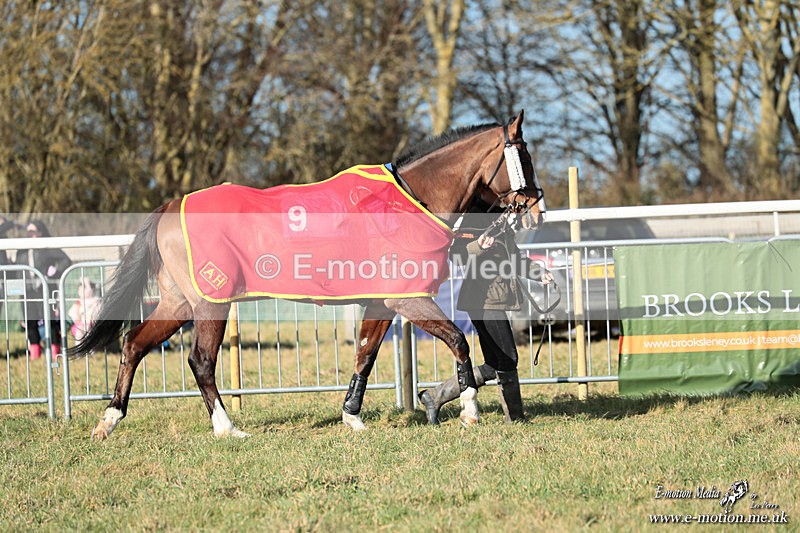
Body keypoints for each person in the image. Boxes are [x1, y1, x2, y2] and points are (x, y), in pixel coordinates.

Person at [418, 199, 551, 424]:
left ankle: (434, 396)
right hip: (483, 300)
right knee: (508, 358)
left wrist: (538, 272)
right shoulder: (474, 217)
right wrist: (479, 245)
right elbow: (457, 254)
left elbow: (515, 257)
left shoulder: (501, 222)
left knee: (493, 364)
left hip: (495, 298)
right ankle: (515, 419)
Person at [15, 220, 72, 360]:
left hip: (45, 289)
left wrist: (55, 272)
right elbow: (17, 269)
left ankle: (55, 350)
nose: (30, 234)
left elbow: (66, 260)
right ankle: (35, 352)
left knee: (50, 320)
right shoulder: (21, 250)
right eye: (28, 231)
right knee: (30, 321)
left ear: (40, 233)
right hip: (27, 291)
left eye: (33, 231)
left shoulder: (47, 247)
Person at [68, 277, 102, 343]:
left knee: (90, 332)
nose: (80, 291)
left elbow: (99, 312)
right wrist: (77, 318)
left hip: (92, 324)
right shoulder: (78, 302)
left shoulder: (96, 300)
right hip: (80, 324)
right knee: (79, 332)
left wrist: (87, 283)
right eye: (80, 288)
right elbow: (72, 313)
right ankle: (80, 349)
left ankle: (91, 349)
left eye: (85, 288)